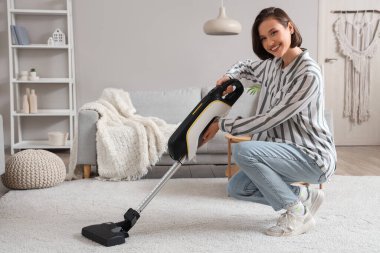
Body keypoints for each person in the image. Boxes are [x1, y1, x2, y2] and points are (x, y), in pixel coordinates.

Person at [202, 7, 337, 237]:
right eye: (263, 38)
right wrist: (230, 76)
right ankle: (305, 197)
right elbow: (245, 65)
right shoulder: (272, 66)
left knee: (243, 151)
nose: (269, 42)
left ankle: (297, 212)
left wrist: (221, 124)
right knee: (237, 188)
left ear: (290, 28)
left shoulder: (308, 74)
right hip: (284, 153)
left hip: (313, 156)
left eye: (274, 33)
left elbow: (271, 118)